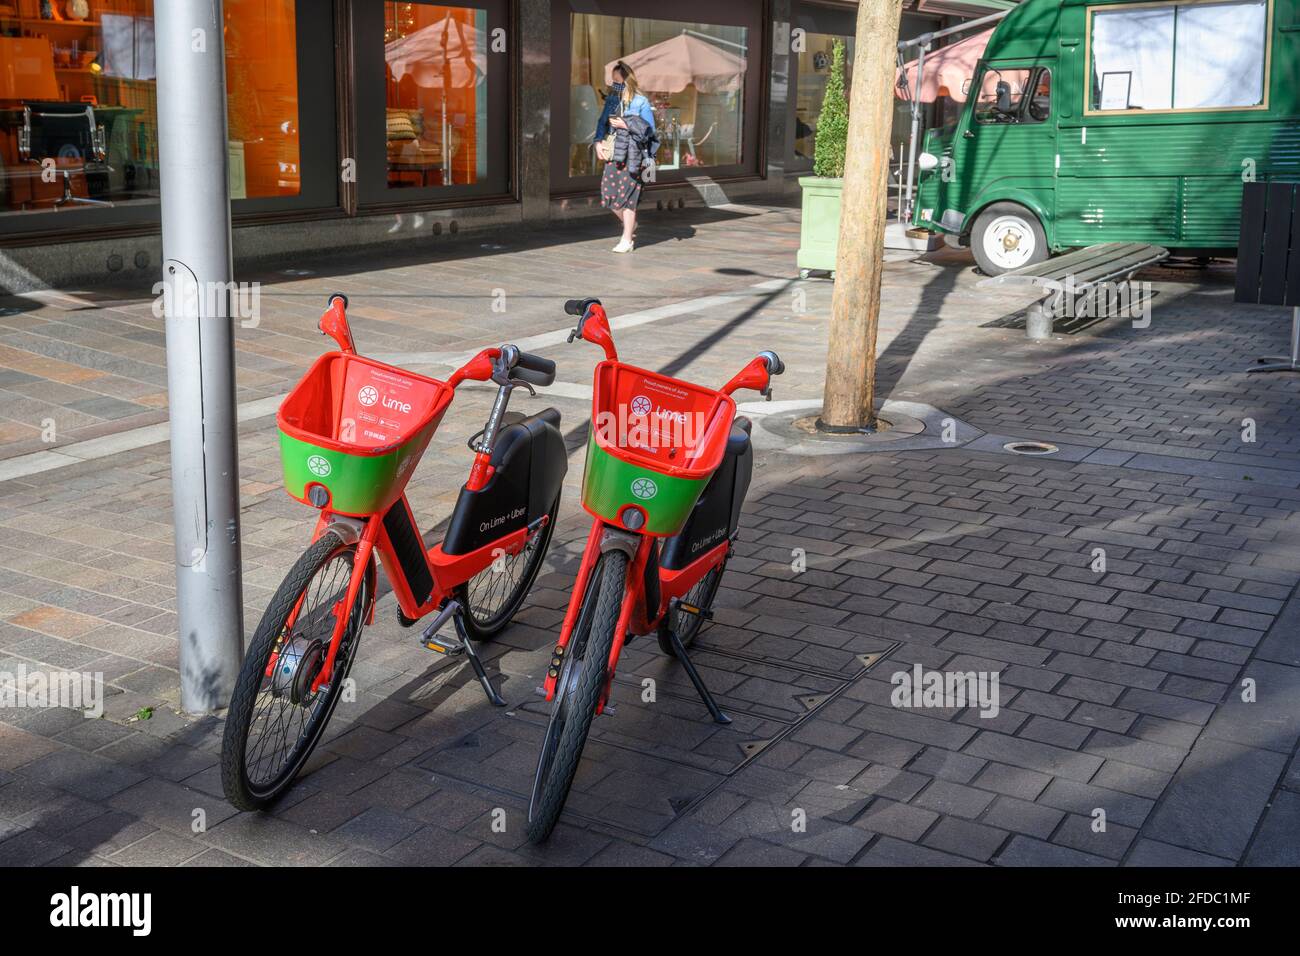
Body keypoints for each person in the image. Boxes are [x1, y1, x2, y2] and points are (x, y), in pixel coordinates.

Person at [595, 62, 655, 253]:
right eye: (613, 82)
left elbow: (650, 131)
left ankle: (627, 239)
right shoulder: (612, 100)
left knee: (629, 198)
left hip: (633, 154)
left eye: (618, 81)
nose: (614, 85)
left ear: (628, 81)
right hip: (614, 153)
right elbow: (602, 122)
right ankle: (631, 224)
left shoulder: (640, 102)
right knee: (609, 195)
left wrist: (626, 125)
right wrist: (597, 142)